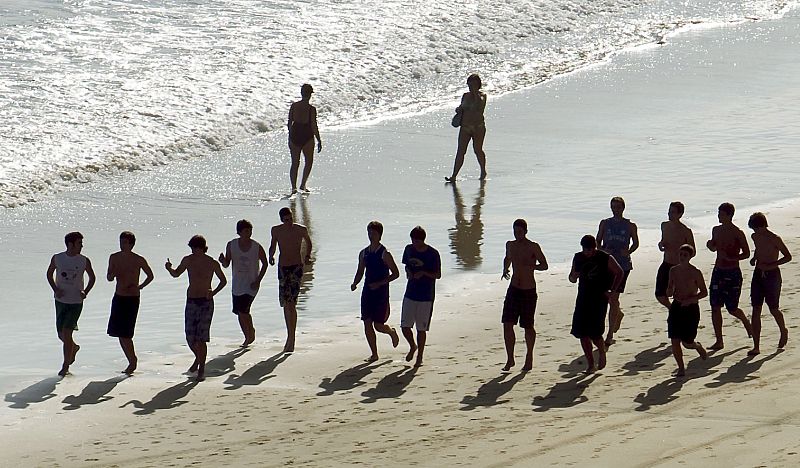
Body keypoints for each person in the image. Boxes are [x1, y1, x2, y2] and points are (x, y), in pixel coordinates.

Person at [165, 235, 227, 381]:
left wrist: (214, 292)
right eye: (191, 248)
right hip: (191, 300)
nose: (193, 251)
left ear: (201, 248)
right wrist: (169, 269)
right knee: (190, 335)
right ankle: (198, 359)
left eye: (195, 248)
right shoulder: (188, 260)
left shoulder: (211, 262)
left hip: (206, 301)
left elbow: (223, 281)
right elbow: (176, 274)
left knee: (201, 338)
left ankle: (201, 369)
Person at [569, 235, 623, 374]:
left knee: (595, 333)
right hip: (583, 298)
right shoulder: (578, 257)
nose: (588, 252)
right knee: (582, 333)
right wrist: (574, 276)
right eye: (585, 250)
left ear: (595, 247)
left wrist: (612, 291)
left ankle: (601, 351)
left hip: (599, 298)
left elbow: (619, 272)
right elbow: (572, 278)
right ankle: (591, 364)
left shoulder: (604, 257)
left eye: (590, 249)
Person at [500, 219, 548, 372]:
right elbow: (507, 258)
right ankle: (510, 359)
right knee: (507, 323)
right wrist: (505, 269)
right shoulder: (510, 245)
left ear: (525, 231)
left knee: (528, 326)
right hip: (514, 288)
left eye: (519, 231)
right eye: (515, 231)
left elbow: (545, 265)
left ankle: (529, 356)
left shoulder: (533, 246)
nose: (517, 234)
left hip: (528, 290)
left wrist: (532, 266)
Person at [46, 231, 96, 377]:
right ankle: (73, 348)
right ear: (70, 244)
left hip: (75, 302)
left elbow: (92, 277)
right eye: (79, 243)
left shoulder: (84, 260)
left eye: (81, 243)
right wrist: (55, 289)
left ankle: (65, 366)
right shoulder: (57, 258)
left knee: (67, 333)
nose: (82, 246)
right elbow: (49, 274)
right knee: (61, 335)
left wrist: (85, 291)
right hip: (60, 301)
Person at [351, 221, 400, 362]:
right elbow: (360, 271)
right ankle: (374, 354)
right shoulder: (364, 253)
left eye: (373, 232)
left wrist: (379, 283)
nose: (370, 235)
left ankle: (391, 332)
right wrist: (355, 283)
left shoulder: (385, 253)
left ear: (380, 234)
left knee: (378, 326)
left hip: (381, 293)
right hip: (367, 292)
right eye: (369, 232)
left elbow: (396, 274)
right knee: (366, 323)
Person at [106, 231, 154, 375]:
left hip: (132, 297)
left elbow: (150, 276)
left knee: (126, 333)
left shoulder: (138, 259)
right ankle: (131, 360)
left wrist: (140, 286)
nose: (122, 245)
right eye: (121, 242)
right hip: (119, 296)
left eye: (125, 242)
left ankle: (133, 361)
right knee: (119, 333)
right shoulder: (114, 257)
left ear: (132, 244)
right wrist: (113, 273)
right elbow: (108, 277)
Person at [706, 202, 752, 350]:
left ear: (729, 215)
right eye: (718, 213)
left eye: (721, 214)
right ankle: (719, 340)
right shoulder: (716, 230)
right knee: (715, 306)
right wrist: (710, 245)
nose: (718, 216)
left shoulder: (737, 232)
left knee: (732, 308)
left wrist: (732, 258)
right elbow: (713, 247)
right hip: (718, 270)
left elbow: (746, 253)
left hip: (732, 272)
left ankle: (745, 321)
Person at [219, 219, 269, 347]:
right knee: (239, 312)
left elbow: (265, 263)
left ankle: (250, 334)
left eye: (250, 230)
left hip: (252, 283)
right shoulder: (232, 245)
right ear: (239, 232)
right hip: (237, 284)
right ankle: (247, 334)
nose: (249, 233)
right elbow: (226, 264)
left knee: (244, 310)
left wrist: (258, 280)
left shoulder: (256, 246)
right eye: (246, 231)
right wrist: (222, 260)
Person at [747, 212, 792, 355]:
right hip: (758, 274)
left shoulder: (775, 239)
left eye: (756, 228)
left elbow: (788, 256)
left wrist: (772, 265)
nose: (754, 232)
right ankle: (756, 346)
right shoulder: (755, 236)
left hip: (772, 275)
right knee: (756, 309)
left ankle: (783, 330)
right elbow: (759, 249)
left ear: (762, 226)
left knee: (773, 308)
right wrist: (754, 258)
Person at [596, 196, 638, 346]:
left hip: (623, 266)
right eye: (613, 207)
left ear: (623, 208)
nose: (615, 210)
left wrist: (629, 251)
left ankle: (610, 334)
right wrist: (602, 249)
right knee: (609, 298)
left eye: (618, 207)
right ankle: (618, 313)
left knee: (613, 297)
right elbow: (597, 242)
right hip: (606, 265)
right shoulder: (605, 223)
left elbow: (636, 243)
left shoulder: (630, 225)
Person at [269, 207, 313, 352]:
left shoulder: (300, 229)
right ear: (281, 219)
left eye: (291, 219)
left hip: (296, 267)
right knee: (285, 303)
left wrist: (307, 256)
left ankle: (292, 337)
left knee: (292, 303)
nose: (289, 222)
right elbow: (273, 246)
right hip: (283, 268)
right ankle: (289, 335)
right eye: (286, 220)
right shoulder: (276, 230)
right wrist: (271, 256)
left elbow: (309, 242)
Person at [400, 226, 441, 367]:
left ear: (422, 240)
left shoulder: (433, 254)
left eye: (417, 241)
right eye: (412, 240)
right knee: (405, 326)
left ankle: (420, 356)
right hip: (410, 292)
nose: (414, 243)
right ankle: (413, 346)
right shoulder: (409, 249)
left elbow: (438, 275)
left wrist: (423, 273)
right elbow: (406, 265)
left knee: (421, 329)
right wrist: (409, 272)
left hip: (426, 295)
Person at [666, 244, 709, 377]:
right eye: (681, 255)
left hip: (691, 309)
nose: (682, 257)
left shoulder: (695, 272)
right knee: (674, 339)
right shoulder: (673, 270)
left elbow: (704, 292)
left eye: (685, 255)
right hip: (676, 307)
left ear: (690, 257)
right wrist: (668, 291)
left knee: (687, 342)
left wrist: (690, 300)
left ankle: (697, 346)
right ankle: (681, 368)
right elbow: (670, 288)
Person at [445, 74, 487, 182]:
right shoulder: (465, 96)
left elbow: (478, 106)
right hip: (465, 127)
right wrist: (459, 109)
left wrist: (474, 93)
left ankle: (483, 171)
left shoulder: (482, 96)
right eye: (469, 84)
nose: (470, 87)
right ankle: (454, 176)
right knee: (460, 151)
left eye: (473, 84)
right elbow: (462, 107)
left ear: (478, 85)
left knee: (477, 150)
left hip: (478, 128)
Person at [656, 201, 695, 309]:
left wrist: (683, 257)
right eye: (669, 211)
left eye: (672, 212)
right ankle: (672, 309)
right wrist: (661, 245)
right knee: (659, 295)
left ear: (680, 214)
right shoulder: (664, 225)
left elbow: (693, 251)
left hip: (679, 267)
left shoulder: (686, 231)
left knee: (678, 295)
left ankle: (679, 313)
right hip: (666, 263)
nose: (669, 214)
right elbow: (663, 241)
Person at [287, 83, 322, 193]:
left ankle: (293, 187)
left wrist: (290, 135)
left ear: (301, 93)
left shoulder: (294, 106)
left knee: (295, 163)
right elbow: (313, 125)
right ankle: (303, 184)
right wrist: (319, 140)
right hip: (307, 135)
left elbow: (289, 123)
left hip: (295, 133)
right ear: (310, 95)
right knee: (309, 161)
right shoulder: (312, 109)